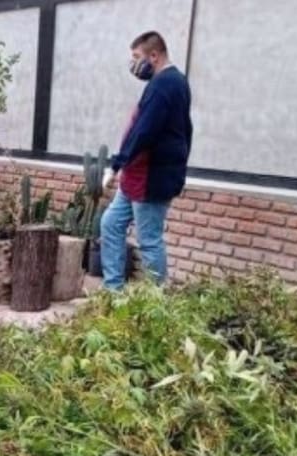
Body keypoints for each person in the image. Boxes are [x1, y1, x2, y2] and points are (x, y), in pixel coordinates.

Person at [100, 31, 193, 291]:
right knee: (110, 223)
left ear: (154, 55)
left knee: (149, 240)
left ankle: (155, 303)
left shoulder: (167, 84)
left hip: (151, 178)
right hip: (137, 174)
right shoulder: (169, 82)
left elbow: (144, 131)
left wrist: (116, 164)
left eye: (137, 57)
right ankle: (113, 291)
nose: (134, 64)